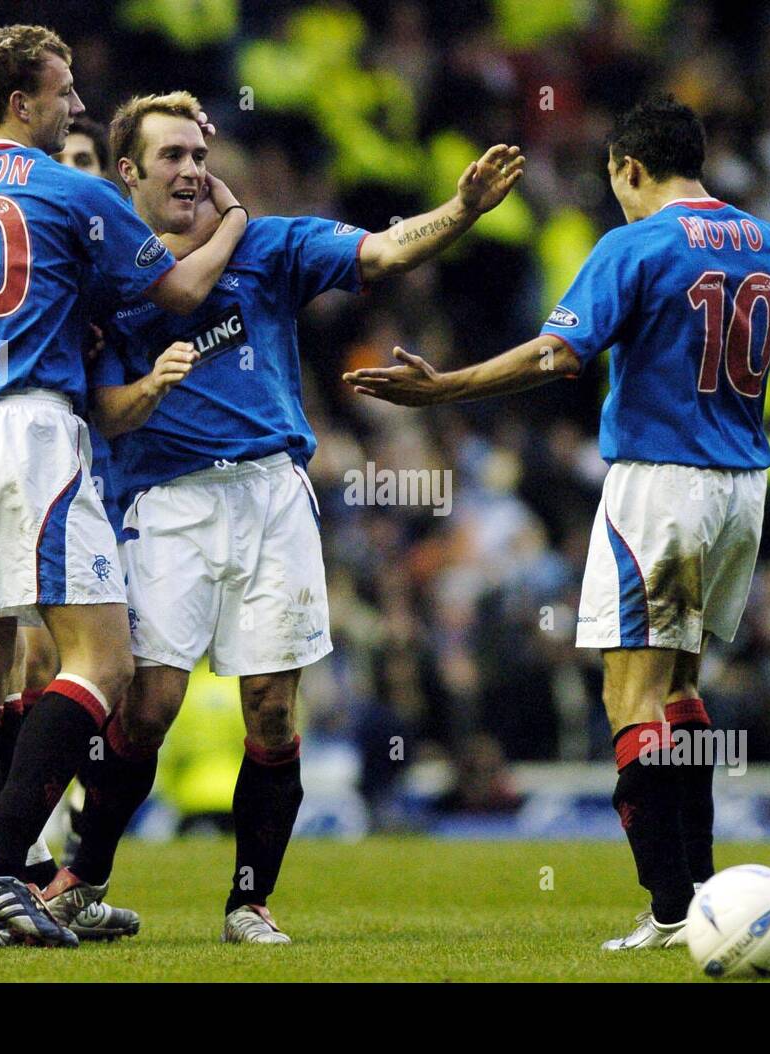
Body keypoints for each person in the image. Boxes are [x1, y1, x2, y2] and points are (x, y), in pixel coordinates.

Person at [343, 94, 770, 950]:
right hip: (742, 491)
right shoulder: (769, 242)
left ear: (629, 168)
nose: (617, 198)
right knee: (679, 693)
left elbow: (560, 352)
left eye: (617, 184)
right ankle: (701, 894)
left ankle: (671, 907)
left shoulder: (633, 243)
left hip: (659, 486)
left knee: (628, 696)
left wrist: (444, 385)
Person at [60, 89, 523, 943]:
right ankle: (81, 879)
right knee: (149, 705)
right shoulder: (106, 278)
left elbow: (381, 255)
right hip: (164, 500)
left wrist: (458, 210)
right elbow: (99, 406)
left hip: (273, 492)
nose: (193, 170)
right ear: (128, 171)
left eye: (200, 156)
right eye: (173, 157)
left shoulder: (270, 246)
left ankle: (248, 900)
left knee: (272, 709)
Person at [0, 25, 247, 946]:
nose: (77, 106)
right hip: (27, 432)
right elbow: (178, 290)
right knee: (104, 657)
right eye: (65, 90)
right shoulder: (66, 187)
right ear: (21, 102)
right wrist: (236, 218)